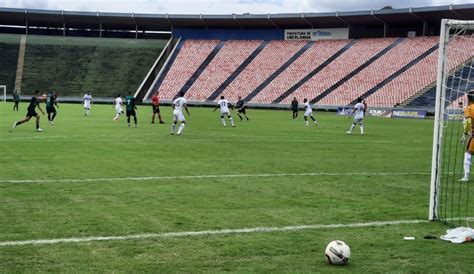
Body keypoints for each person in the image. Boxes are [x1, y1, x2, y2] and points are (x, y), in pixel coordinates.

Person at [460, 91, 474, 182]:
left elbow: (468, 122)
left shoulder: (469, 108)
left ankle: (466, 176)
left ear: (468, 98)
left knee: (468, 153)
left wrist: (465, 133)